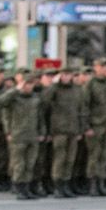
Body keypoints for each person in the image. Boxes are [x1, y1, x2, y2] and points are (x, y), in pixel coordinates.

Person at [41, 68, 86, 198]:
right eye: (64, 75)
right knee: (60, 159)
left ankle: (66, 184)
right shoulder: (55, 89)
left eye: (69, 75)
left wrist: (80, 129)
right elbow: (45, 101)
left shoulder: (76, 90)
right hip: (59, 130)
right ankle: (58, 186)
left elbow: (81, 110)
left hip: (73, 129)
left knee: (70, 159)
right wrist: (54, 84)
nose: (67, 77)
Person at [1, 72, 45, 200]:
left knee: (30, 163)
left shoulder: (35, 98)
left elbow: (40, 118)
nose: (28, 87)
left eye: (31, 84)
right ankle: (18, 187)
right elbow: (1, 102)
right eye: (26, 84)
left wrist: (41, 132)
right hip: (17, 135)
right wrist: (15, 90)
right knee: (19, 164)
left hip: (32, 135)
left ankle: (26, 187)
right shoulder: (14, 98)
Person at [83, 58, 106, 196]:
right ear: (95, 67)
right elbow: (85, 106)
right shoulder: (90, 84)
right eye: (101, 66)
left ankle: (101, 183)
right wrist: (87, 127)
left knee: (104, 156)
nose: (104, 68)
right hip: (95, 124)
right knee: (94, 156)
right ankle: (92, 184)